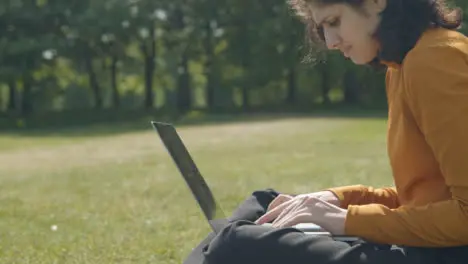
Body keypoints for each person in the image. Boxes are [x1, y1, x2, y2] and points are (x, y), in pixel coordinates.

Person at [183, 0, 468, 263]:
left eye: (333, 21)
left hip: (442, 256)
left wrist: (345, 220)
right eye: (322, 28)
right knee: (265, 203)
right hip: (429, 246)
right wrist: (337, 198)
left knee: (237, 243)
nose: (330, 42)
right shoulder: (403, 65)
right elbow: (425, 196)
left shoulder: (435, 60)